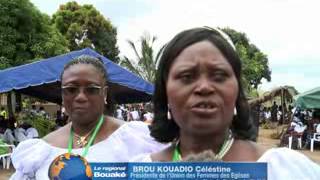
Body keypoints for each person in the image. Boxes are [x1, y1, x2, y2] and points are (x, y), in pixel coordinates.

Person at [131, 27, 320, 179]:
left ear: (237, 90)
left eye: (219, 76)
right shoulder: (139, 171)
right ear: (165, 92)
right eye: (187, 76)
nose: (204, 87)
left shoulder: (286, 171)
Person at [10, 55, 166, 179]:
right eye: (71, 89)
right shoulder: (39, 151)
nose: (80, 97)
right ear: (63, 95)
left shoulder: (137, 139)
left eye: (91, 89)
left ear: (104, 93)